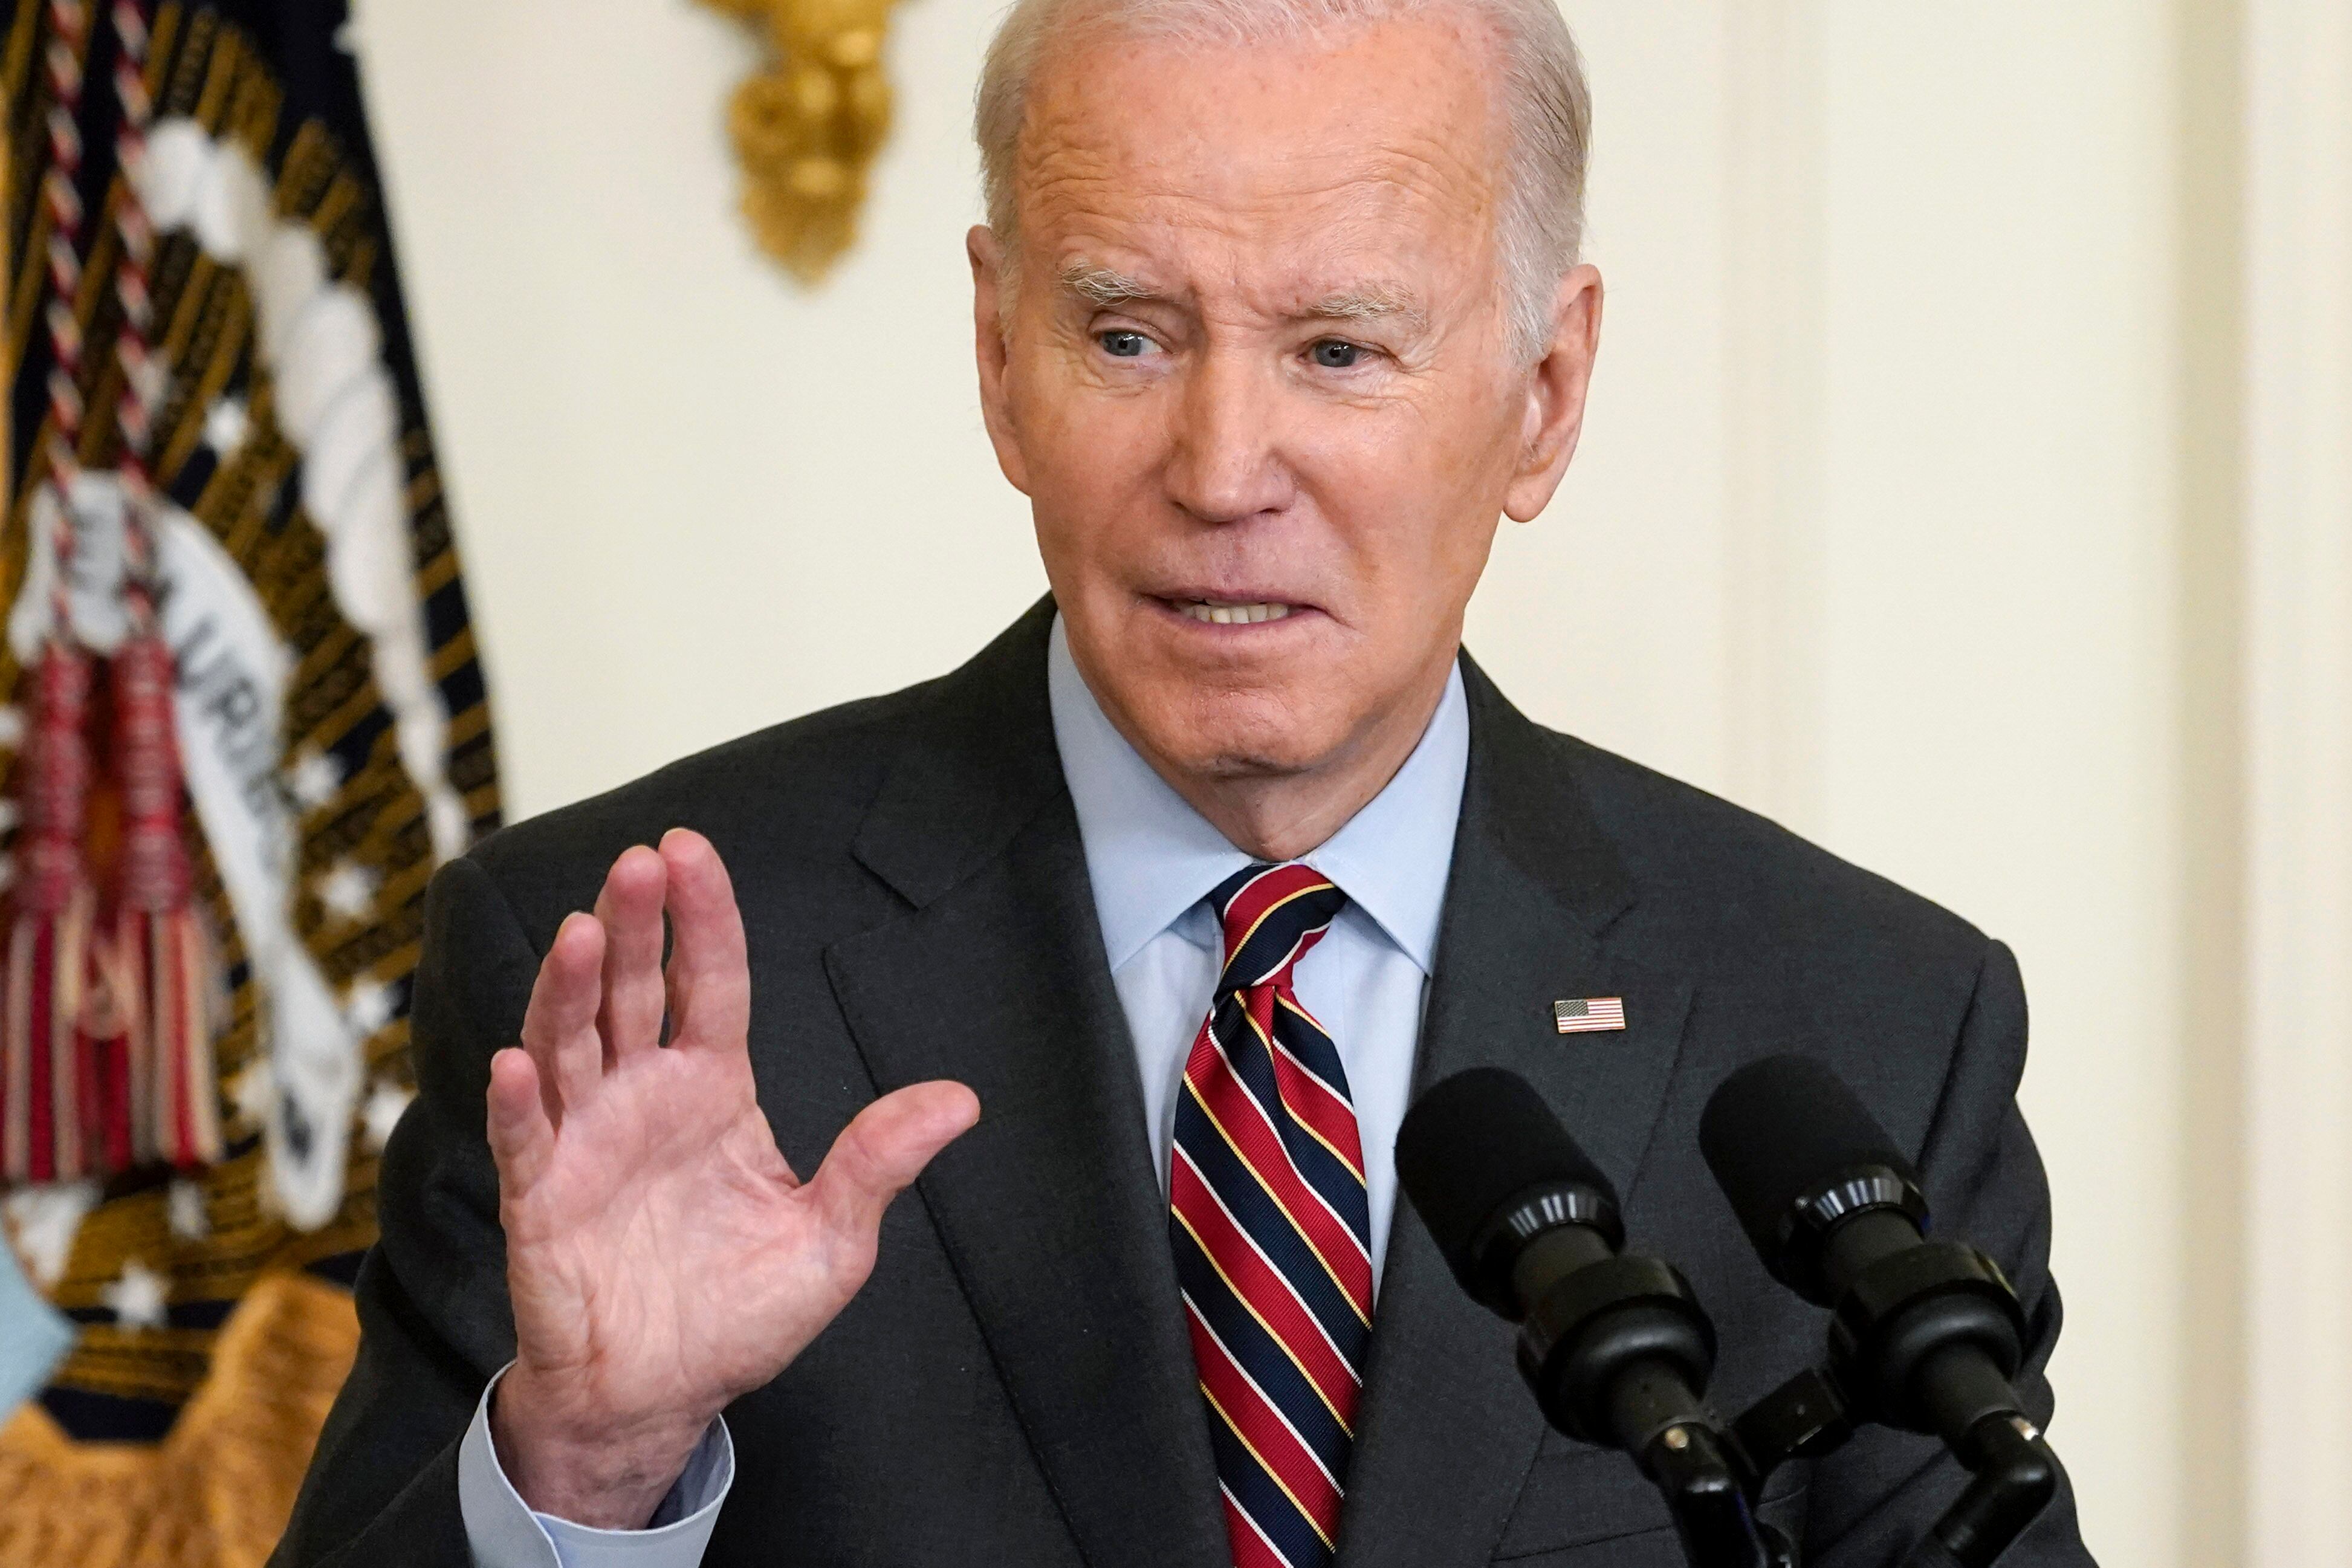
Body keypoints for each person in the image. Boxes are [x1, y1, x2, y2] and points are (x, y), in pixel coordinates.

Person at [274, 1, 2098, 1564]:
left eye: (1337, 349)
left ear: (1543, 392)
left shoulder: (1856, 1025)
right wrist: (586, 1469)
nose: (1225, 467)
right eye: (1128, 333)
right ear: (998, 357)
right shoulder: (622, 985)